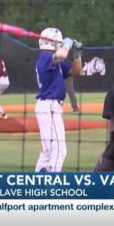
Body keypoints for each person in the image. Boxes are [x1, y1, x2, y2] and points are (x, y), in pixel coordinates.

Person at [34, 27, 82, 172]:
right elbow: (61, 54)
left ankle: (37, 184)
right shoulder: (45, 58)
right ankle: (52, 187)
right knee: (59, 150)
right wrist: (67, 44)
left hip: (49, 107)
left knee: (48, 152)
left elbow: (76, 71)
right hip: (49, 106)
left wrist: (77, 54)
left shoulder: (56, 63)